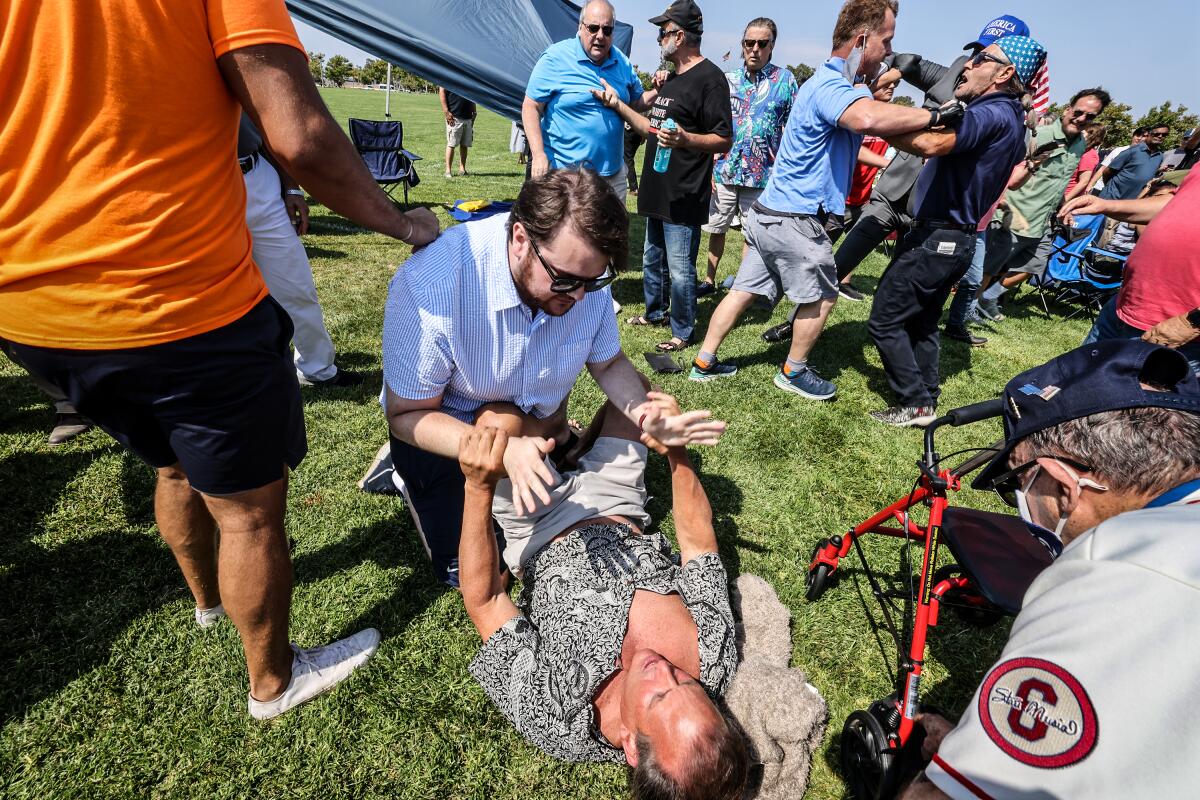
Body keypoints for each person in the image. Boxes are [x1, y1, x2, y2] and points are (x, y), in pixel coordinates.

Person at [0, 0, 439, 719]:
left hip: (31, 312)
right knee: (249, 514)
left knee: (171, 463)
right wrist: (400, 220)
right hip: (176, 301)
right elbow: (296, 132)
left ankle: (208, 605)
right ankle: (272, 681)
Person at [379, 169, 726, 588]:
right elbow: (406, 414)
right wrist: (503, 451)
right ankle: (403, 475)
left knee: (634, 393)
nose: (580, 296)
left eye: (592, 281)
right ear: (521, 239)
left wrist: (646, 417)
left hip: (537, 419)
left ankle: (558, 447)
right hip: (448, 433)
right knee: (485, 576)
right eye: (565, 280)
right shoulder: (431, 284)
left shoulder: (579, 276)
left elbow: (610, 364)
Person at [901, 338, 1200, 799]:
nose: (1017, 501)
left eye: (1015, 485)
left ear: (1063, 488)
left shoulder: (1111, 577)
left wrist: (958, 770)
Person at [457, 393, 749, 797]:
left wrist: (477, 485)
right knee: (639, 398)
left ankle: (557, 444)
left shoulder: (559, 718)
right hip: (619, 503)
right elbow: (699, 547)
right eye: (686, 682)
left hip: (538, 524)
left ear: (631, 746)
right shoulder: (714, 661)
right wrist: (675, 452)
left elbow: (486, 602)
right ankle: (571, 446)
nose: (662, 668)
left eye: (660, 695)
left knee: (499, 421)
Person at [684, 0, 948, 400]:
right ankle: (793, 371)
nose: (889, 51)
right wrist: (937, 115)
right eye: (886, 41)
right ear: (861, 40)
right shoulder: (830, 86)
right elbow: (867, 120)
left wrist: (880, 88)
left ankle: (704, 362)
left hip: (769, 211)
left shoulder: (836, 87)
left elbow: (861, 122)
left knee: (742, 289)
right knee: (824, 295)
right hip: (796, 218)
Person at [864, 35, 1037, 426]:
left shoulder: (991, 112)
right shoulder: (1007, 115)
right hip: (954, 238)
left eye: (981, 58)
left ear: (1005, 72)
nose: (968, 63)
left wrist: (865, 119)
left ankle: (914, 401)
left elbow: (929, 142)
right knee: (923, 320)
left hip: (939, 237)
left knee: (885, 319)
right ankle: (927, 398)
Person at [831, 16, 1031, 302]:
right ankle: (794, 321)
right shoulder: (956, 69)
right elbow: (905, 61)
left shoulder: (1006, 108)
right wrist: (875, 80)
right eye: (977, 50)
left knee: (896, 285)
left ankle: (886, 332)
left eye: (986, 54)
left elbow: (1013, 151)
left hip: (928, 209)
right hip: (893, 190)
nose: (973, 62)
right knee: (840, 263)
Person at [592, 0, 733, 354]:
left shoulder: (711, 79)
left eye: (663, 32)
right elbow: (647, 119)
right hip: (657, 188)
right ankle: (655, 312)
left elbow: (724, 137)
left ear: (679, 35)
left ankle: (683, 330)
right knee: (653, 257)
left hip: (684, 193)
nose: (658, 39)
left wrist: (686, 139)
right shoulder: (671, 79)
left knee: (681, 267)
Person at [238, 113, 360, 387]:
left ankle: (316, 368)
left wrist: (291, 188)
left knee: (296, 284)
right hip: (199, 181)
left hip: (257, 174)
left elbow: (266, 123)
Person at [974, 87, 1111, 320]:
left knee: (1033, 265)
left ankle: (988, 297)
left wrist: (1063, 208)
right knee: (990, 267)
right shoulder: (1041, 135)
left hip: (1043, 219)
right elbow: (1007, 169)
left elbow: (1061, 180)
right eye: (1078, 112)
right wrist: (1002, 200)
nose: (1081, 119)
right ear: (1068, 109)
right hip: (1016, 213)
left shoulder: (1079, 144)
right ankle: (969, 308)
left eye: (1090, 117)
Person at [1061, 168, 1200, 373]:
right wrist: (1106, 205)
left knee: (1130, 403)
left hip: (1176, 330)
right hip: (1126, 303)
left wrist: (1192, 323)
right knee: (1075, 384)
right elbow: (1173, 205)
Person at [698, 17, 798, 297]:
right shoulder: (726, 81)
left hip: (763, 174)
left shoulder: (785, 81)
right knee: (716, 227)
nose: (754, 48)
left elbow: (793, 129)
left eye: (761, 43)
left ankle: (743, 286)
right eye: (748, 43)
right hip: (725, 169)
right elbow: (711, 126)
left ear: (771, 46)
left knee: (752, 233)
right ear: (742, 45)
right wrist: (710, 167)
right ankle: (709, 279)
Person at [522, 0, 658, 201]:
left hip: (612, 176)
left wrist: (658, 90)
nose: (600, 36)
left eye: (607, 30)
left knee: (611, 232)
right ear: (580, 27)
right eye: (593, 28)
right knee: (567, 232)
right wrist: (539, 154)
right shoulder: (555, 58)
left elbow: (637, 102)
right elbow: (531, 106)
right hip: (566, 176)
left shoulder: (621, 61)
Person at [1092, 123, 1168, 200]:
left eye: (1164, 135)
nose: (1160, 136)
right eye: (1157, 133)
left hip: (1130, 202)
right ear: (1149, 134)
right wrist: (1111, 188)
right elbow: (1107, 172)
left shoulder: (1160, 156)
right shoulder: (1132, 151)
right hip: (1111, 197)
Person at [1085, 126, 1145, 194]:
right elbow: (1102, 169)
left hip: (1117, 193)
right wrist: (1090, 185)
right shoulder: (1119, 150)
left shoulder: (1144, 158)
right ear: (1133, 136)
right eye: (1137, 135)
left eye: (1142, 136)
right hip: (1099, 187)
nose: (1139, 138)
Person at [1062, 122, 1107, 203]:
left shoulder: (1089, 154)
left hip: (1066, 197)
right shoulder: (1081, 150)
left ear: (1091, 135)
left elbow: (1083, 181)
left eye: (1083, 132)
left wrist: (1064, 200)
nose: (1079, 133)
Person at [439, 86, 477, 178]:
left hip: (468, 116)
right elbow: (442, 91)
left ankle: (462, 169)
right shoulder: (448, 75)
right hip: (454, 116)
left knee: (464, 145)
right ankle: (448, 170)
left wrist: (474, 111)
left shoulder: (468, 78)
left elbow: (472, 95)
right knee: (451, 144)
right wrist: (446, 111)